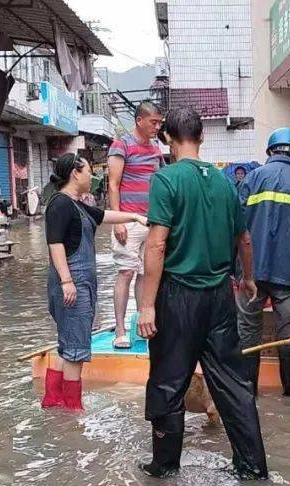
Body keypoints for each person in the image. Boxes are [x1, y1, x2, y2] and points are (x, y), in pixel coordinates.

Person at [137, 107, 267, 479]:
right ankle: (253, 467)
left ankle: (164, 467)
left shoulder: (166, 179)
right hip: (220, 296)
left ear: (166, 138)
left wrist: (147, 305)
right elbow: (243, 238)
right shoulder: (225, 182)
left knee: (168, 381)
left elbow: (157, 245)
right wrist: (248, 278)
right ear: (203, 137)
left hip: (179, 298)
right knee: (233, 384)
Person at [41, 153, 147, 411]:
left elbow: (102, 215)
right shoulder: (60, 205)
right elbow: (54, 244)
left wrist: (133, 217)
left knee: (68, 343)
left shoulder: (76, 204)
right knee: (76, 348)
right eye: (89, 171)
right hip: (72, 285)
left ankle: (53, 403)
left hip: (79, 283)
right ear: (75, 173)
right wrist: (67, 281)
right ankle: (72, 412)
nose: (93, 176)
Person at [236, 127, 290, 396]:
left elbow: (235, 229)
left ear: (270, 151)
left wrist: (233, 269)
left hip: (251, 271)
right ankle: (289, 389)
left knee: (248, 330)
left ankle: (248, 390)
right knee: (288, 332)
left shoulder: (250, 180)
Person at [107, 101, 164, 349]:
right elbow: (113, 184)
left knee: (146, 274)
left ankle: (143, 325)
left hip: (151, 222)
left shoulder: (155, 150)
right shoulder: (121, 145)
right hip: (128, 221)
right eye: (154, 122)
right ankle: (119, 331)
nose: (157, 127)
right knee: (126, 272)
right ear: (140, 120)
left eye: (160, 123)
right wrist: (118, 220)